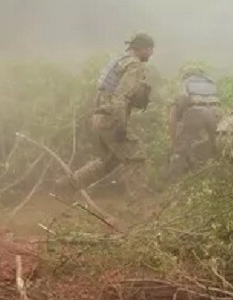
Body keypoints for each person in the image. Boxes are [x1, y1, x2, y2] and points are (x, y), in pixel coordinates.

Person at [68, 33, 155, 197]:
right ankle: (139, 207)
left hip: (99, 118)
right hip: (110, 118)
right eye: (150, 50)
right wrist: (120, 125)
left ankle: (68, 186)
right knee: (137, 156)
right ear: (143, 49)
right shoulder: (134, 65)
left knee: (111, 160)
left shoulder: (117, 62)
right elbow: (120, 96)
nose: (151, 54)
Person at [167, 65, 223, 178]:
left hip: (196, 111)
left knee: (182, 147)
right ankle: (218, 175)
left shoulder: (187, 82)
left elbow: (180, 103)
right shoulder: (210, 82)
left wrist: (174, 143)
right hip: (216, 111)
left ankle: (174, 179)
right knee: (217, 145)